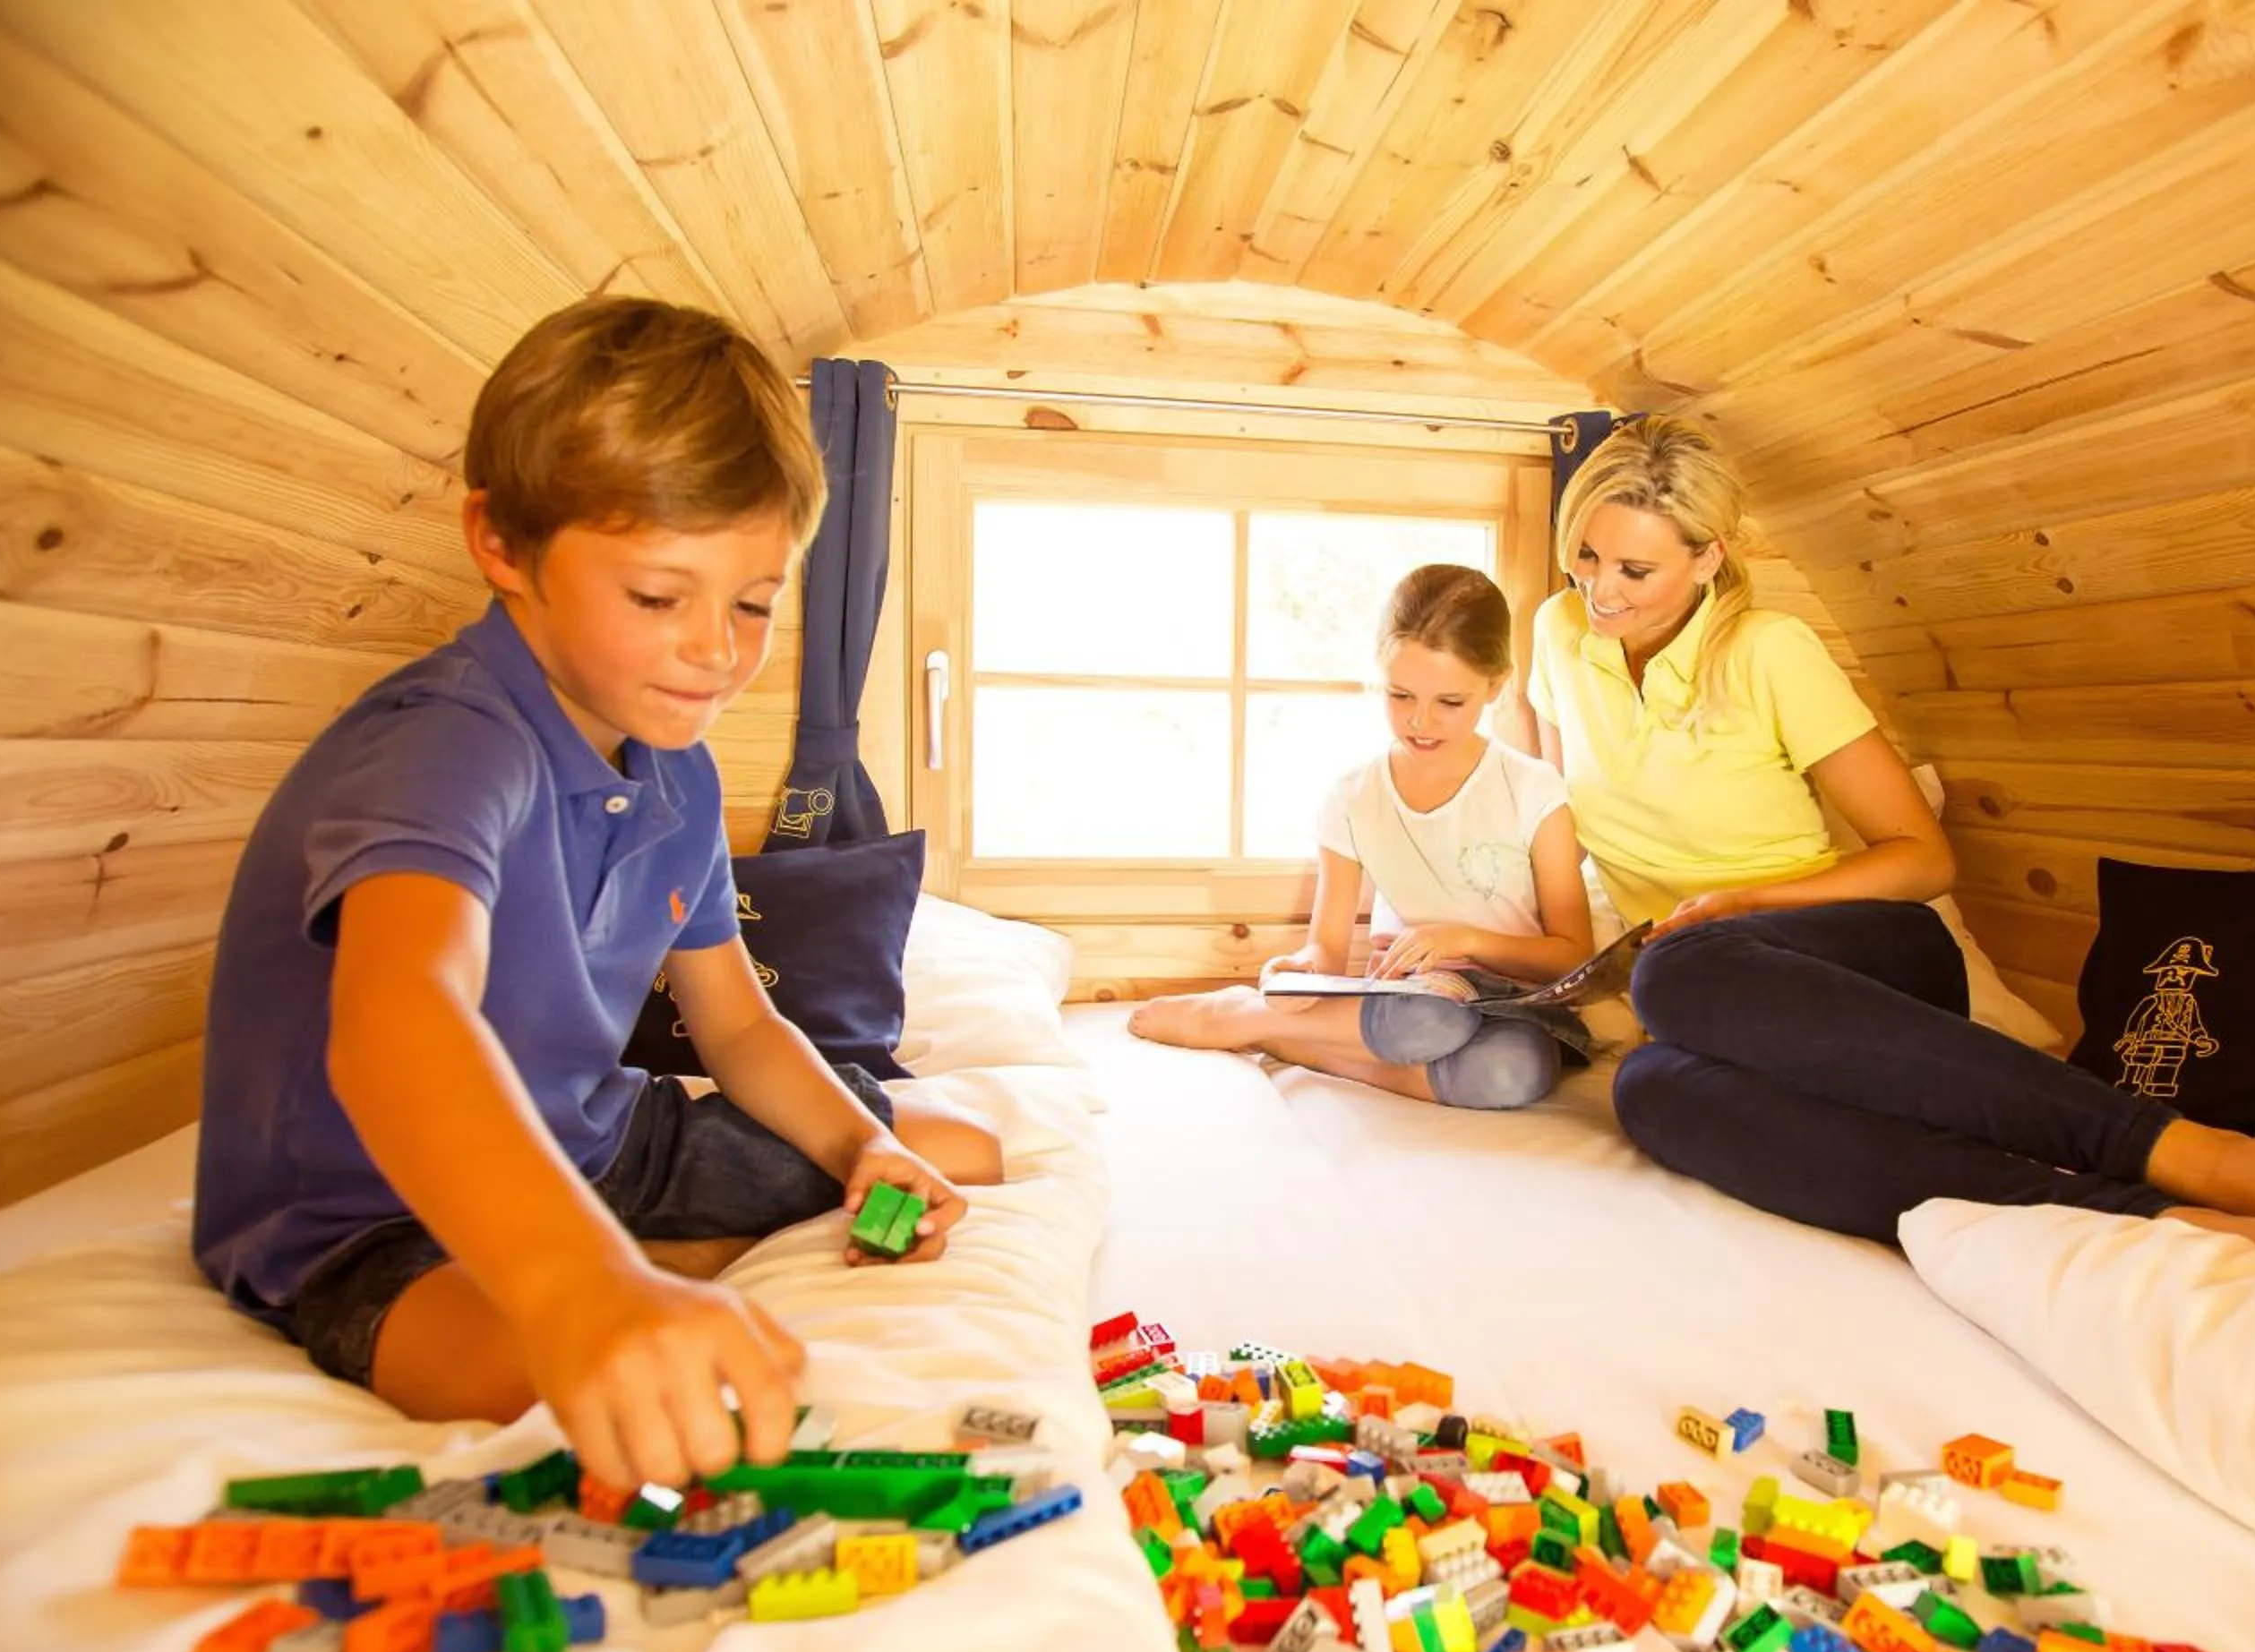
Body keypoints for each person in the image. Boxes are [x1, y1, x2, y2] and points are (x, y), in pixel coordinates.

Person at [192, 297, 1002, 1491]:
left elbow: (738, 1026)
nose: (716, 651)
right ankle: (646, 1264)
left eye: (752, 603)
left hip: (598, 1138)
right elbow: (400, 1017)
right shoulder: (447, 743)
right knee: (577, 1382)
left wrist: (860, 1147)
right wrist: (583, 1285)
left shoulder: (677, 768)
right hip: (374, 1206)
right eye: (659, 598)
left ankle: (674, 1248)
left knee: (957, 1149)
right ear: (502, 543)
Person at [1529, 416, 2255, 1287]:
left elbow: (1922, 857)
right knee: (1651, 1095)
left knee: (1679, 971)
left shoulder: (1769, 649)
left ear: (1710, 557)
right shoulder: (1558, 631)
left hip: (1861, 956)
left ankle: (2205, 1157)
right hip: (1720, 998)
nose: (1599, 588)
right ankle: (2161, 1218)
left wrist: (1744, 906)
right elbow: (1543, 802)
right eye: (1587, 555)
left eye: (1634, 570)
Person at [1131, 564, 1595, 1109]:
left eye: (1449, 703)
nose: (1420, 722)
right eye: (1401, 696)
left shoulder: (1533, 789)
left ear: (1495, 685)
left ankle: (1268, 1030)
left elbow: (1573, 957)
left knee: (1512, 1074)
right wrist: (1302, 971)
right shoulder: (1353, 797)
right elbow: (1327, 950)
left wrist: (1465, 940)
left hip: (1519, 1002)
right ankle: (1252, 1015)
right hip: (1415, 999)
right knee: (1428, 1021)